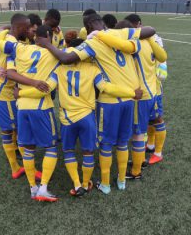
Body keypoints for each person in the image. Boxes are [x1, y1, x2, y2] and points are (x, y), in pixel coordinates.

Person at [35, 13, 155, 193]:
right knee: (123, 142)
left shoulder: (92, 43)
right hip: (130, 99)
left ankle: (105, 184)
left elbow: (66, 58)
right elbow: (151, 30)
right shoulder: (121, 33)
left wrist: (47, 44)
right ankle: (121, 180)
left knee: (106, 144)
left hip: (109, 102)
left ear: (89, 27)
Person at [16, 35, 143, 197]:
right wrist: (132, 93)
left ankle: (76, 185)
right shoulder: (93, 70)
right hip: (87, 117)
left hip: (67, 119)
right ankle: (87, 183)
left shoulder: (59, 70)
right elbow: (107, 88)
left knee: (68, 151)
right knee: (88, 152)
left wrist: (21, 92)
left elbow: (45, 89)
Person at [0, 25, 61, 202]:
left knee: (28, 148)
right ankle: (43, 188)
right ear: (48, 37)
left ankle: (33, 187)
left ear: (35, 36)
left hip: (22, 108)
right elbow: (47, 88)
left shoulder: (19, 48)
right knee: (51, 148)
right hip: (41, 108)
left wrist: (4, 30)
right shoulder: (56, 55)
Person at [0, 13, 46, 180]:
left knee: (14, 129)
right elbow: (10, 73)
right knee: (13, 130)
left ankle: (20, 166)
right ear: (20, 28)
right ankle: (19, 168)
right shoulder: (11, 44)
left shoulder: (5, 36)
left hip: (1, 91)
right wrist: (34, 82)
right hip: (3, 94)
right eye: (28, 28)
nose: (31, 32)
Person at [122, 14, 167, 179]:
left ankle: (147, 159)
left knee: (146, 126)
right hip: (151, 88)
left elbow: (161, 61)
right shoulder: (150, 39)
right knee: (151, 121)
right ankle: (150, 148)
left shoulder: (138, 43)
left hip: (148, 91)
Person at [146, 34, 168, 165]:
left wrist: (160, 64)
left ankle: (158, 153)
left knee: (157, 119)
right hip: (147, 93)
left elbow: (162, 76)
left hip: (155, 92)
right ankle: (150, 145)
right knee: (150, 120)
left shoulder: (160, 57)